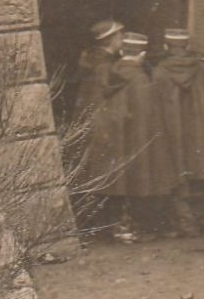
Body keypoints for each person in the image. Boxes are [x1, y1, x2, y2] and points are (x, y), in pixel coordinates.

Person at [76, 31, 179, 241]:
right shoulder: (141, 80)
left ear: (122, 51)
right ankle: (138, 226)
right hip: (139, 146)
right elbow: (150, 120)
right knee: (142, 182)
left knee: (116, 185)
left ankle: (116, 227)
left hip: (115, 143)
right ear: (142, 54)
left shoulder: (107, 73)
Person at [151, 28, 204, 235]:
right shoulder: (202, 71)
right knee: (200, 174)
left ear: (165, 47)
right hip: (200, 137)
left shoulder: (160, 72)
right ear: (187, 46)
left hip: (173, 135)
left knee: (178, 177)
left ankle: (186, 224)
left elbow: (155, 108)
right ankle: (197, 221)